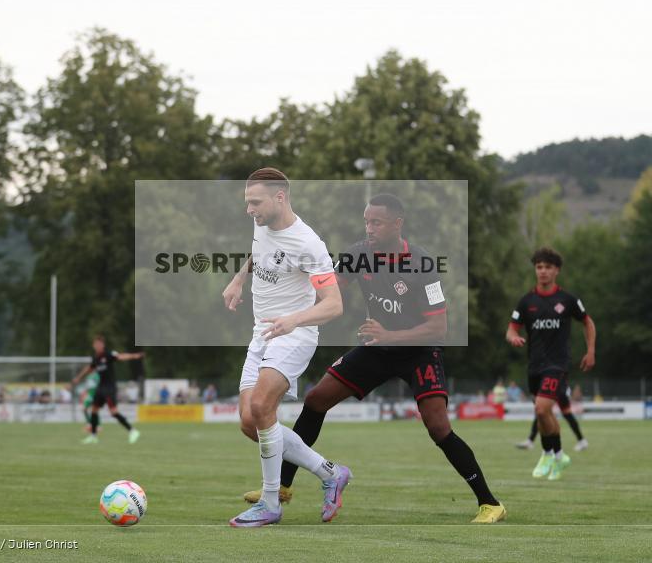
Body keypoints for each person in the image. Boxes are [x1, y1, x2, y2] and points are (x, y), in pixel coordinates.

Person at [241, 193, 505, 523]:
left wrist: (390, 336)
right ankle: (282, 487)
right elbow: (328, 289)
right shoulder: (358, 254)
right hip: (377, 349)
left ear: (398, 224)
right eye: (366, 221)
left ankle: (490, 503)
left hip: (418, 353)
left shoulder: (421, 264)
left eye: (376, 222)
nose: (369, 228)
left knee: (438, 427)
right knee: (317, 399)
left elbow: (439, 328)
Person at [222, 167, 348, 528]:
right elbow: (257, 250)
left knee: (262, 406)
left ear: (280, 197)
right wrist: (238, 278)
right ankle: (330, 473)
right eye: (247, 202)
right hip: (262, 332)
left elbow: (333, 305)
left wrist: (295, 319)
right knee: (251, 422)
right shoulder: (262, 222)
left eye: (256, 202)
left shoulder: (308, 244)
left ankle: (270, 502)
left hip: (294, 335)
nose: (250, 210)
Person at [506, 247, 596, 480]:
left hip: (558, 365)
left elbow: (587, 323)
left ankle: (547, 453)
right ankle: (559, 456)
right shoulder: (527, 301)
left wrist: (591, 350)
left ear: (556, 271)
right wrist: (513, 337)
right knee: (546, 416)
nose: (543, 271)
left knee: (541, 409)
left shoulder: (567, 300)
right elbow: (511, 328)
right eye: (539, 267)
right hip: (535, 365)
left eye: (547, 267)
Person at [70, 335, 143, 444]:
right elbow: (89, 369)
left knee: (113, 412)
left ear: (103, 345)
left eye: (99, 344)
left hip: (109, 388)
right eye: (95, 344)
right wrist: (78, 378)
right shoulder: (96, 358)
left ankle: (133, 431)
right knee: (94, 410)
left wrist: (134, 356)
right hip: (101, 387)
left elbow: (121, 356)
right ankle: (93, 436)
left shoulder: (108, 355)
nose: (97, 346)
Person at [514, 384, 589, 452]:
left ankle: (532, 442)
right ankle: (581, 441)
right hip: (555, 385)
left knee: (547, 412)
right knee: (543, 412)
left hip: (556, 386)